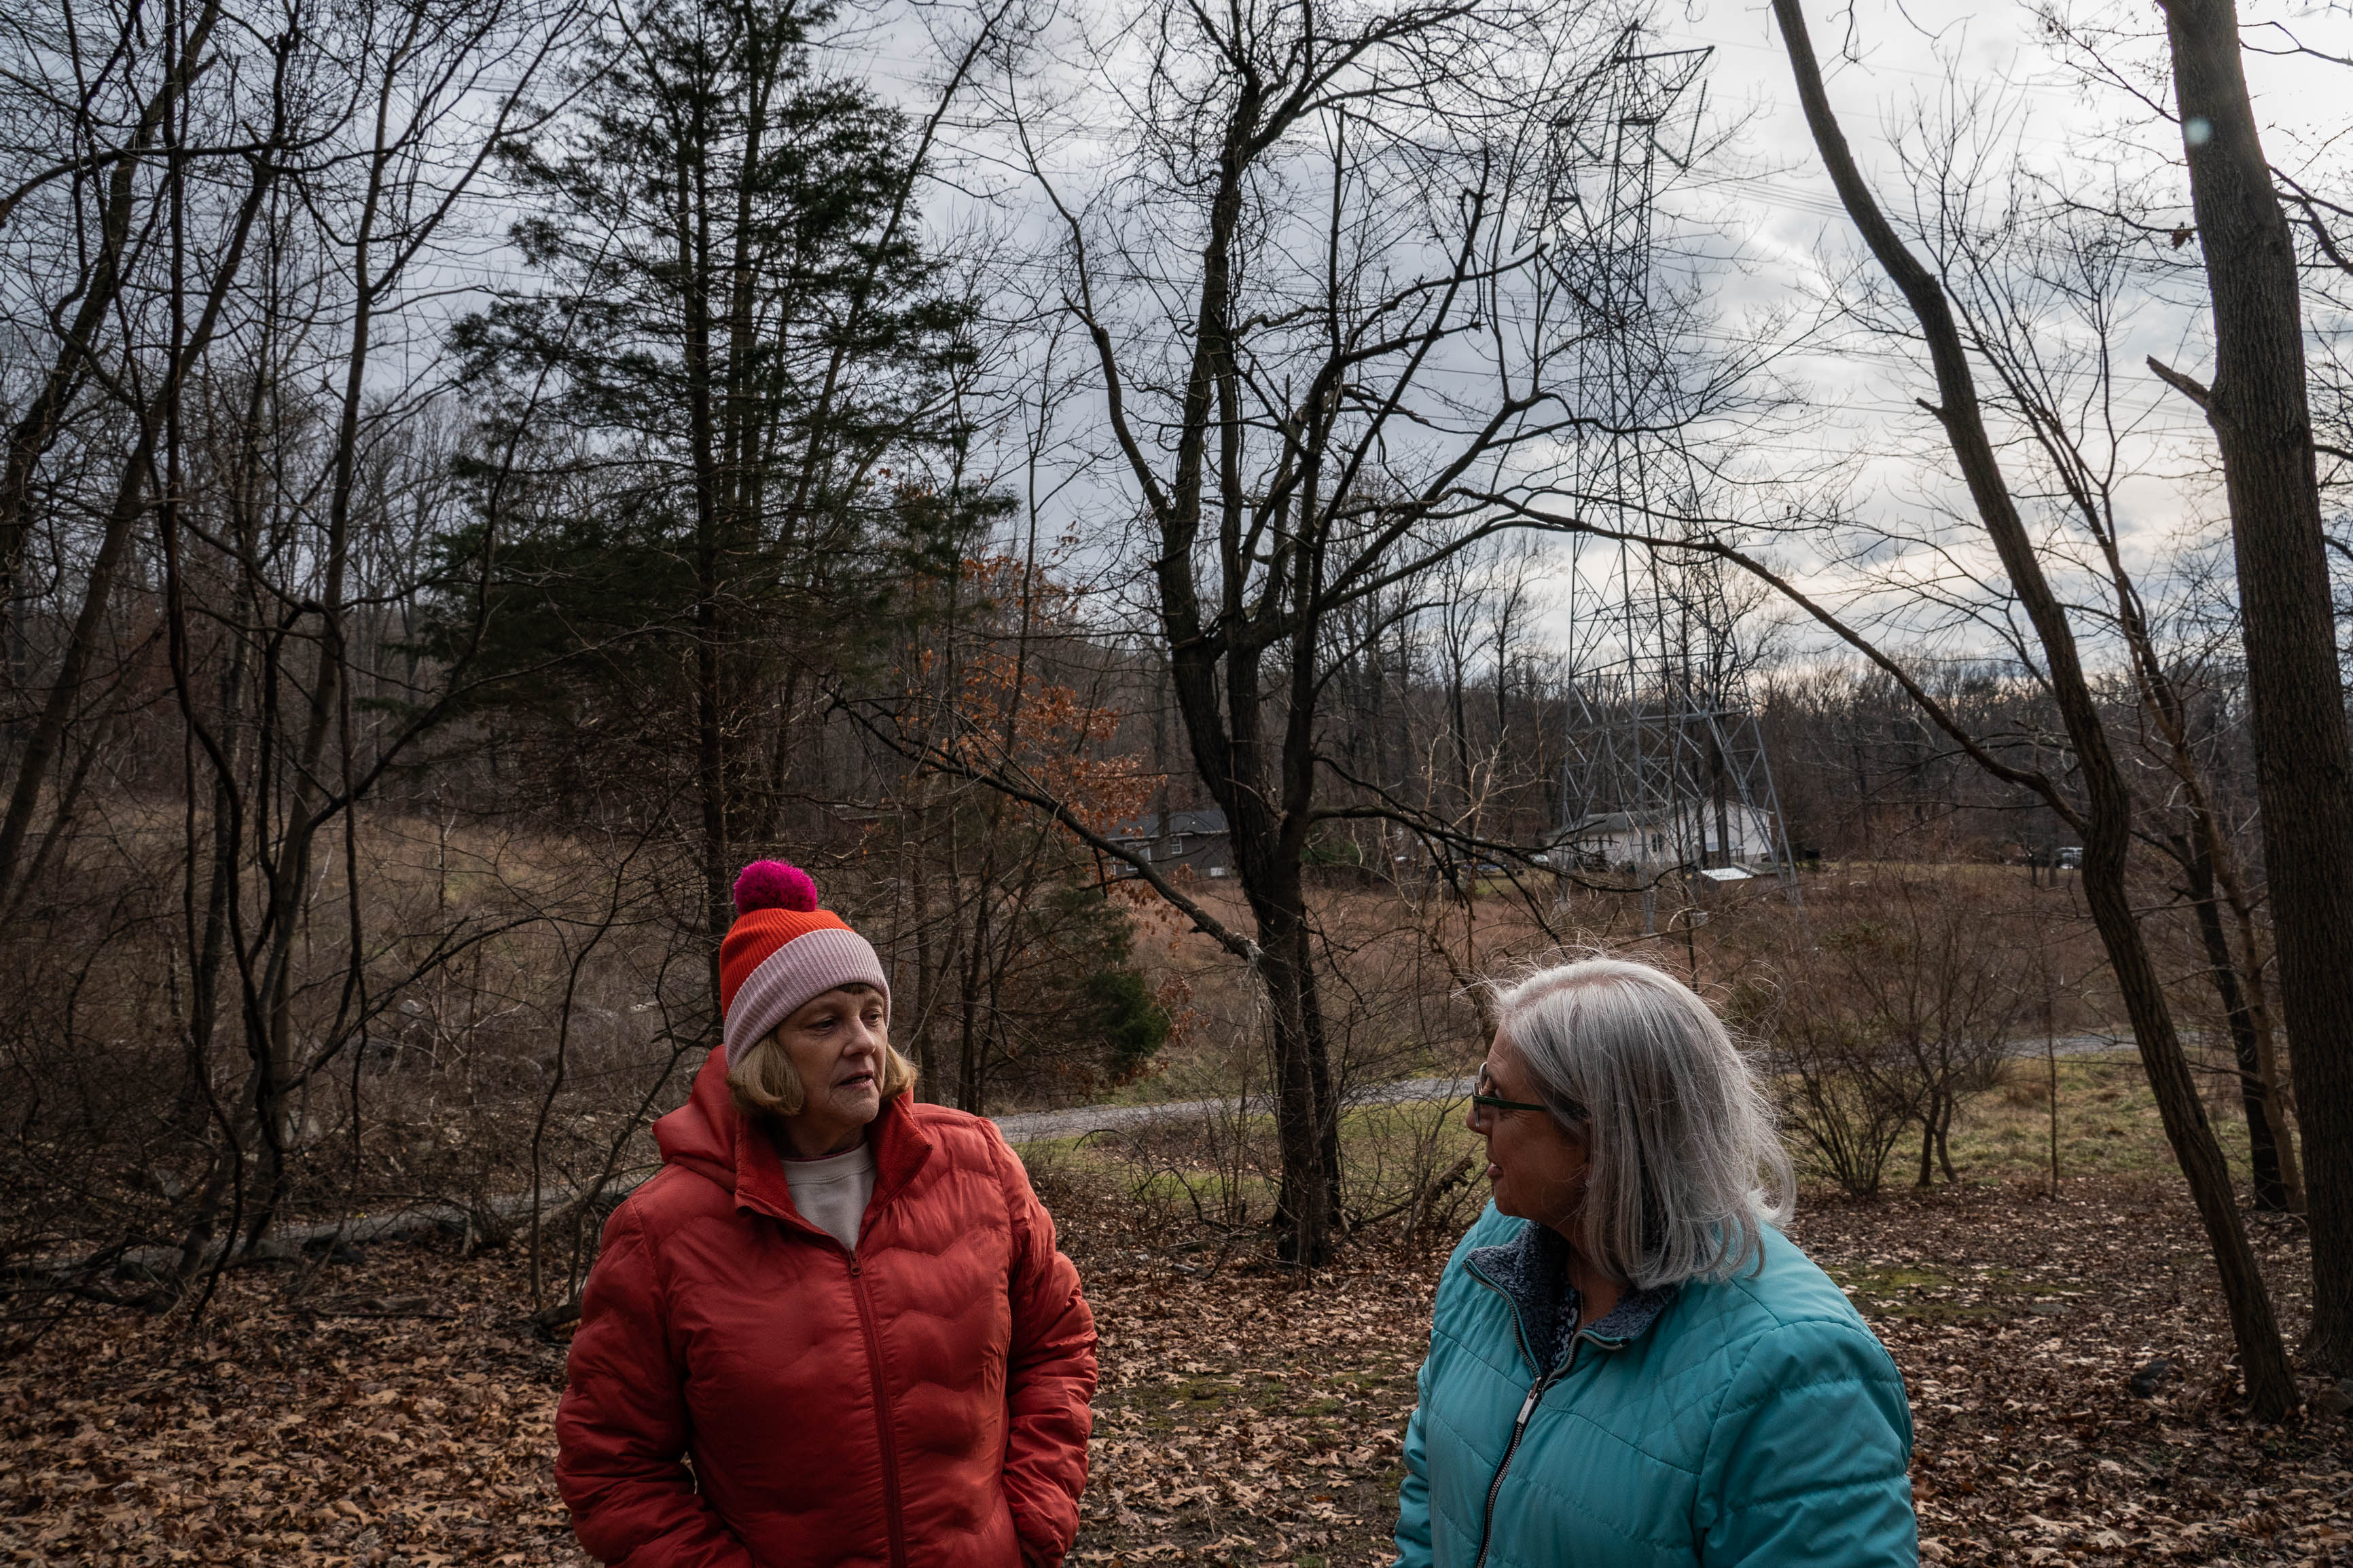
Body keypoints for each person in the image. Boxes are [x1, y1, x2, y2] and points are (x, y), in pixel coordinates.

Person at [557, 860, 1096, 1568]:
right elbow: (612, 1465)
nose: (864, 1040)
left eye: (872, 1013)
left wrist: (1031, 1524)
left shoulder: (976, 1165)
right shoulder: (661, 1232)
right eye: (826, 1021)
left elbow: (1056, 1345)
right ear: (762, 1053)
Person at [1393, 956, 1916, 1568]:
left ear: (1598, 1137)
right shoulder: (1497, 1253)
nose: (1473, 1119)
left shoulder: (1799, 1373)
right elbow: (1434, 1474)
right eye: (1481, 1086)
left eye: (1500, 1100)